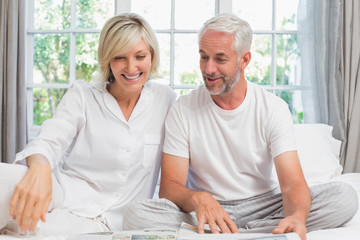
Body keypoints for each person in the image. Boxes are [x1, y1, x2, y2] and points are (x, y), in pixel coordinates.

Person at [122, 14, 358, 240]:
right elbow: (170, 187)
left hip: (263, 204)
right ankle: (255, 233)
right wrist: (199, 199)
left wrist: (297, 217)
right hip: (204, 208)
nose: (208, 69)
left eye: (220, 59)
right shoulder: (183, 109)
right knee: (136, 214)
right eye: (204, 57)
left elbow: (292, 183)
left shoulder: (272, 108)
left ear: (244, 60)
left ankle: (227, 233)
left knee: (345, 197)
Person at [0, 13, 176, 236]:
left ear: (152, 55)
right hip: (62, 194)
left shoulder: (166, 100)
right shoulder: (83, 95)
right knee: (6, 178)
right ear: (107, 59)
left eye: (139, 56)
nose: (131, 67)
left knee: (29, 231)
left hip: (107, 222)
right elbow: (50, 139)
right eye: (120, 57)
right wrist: (40, 166)